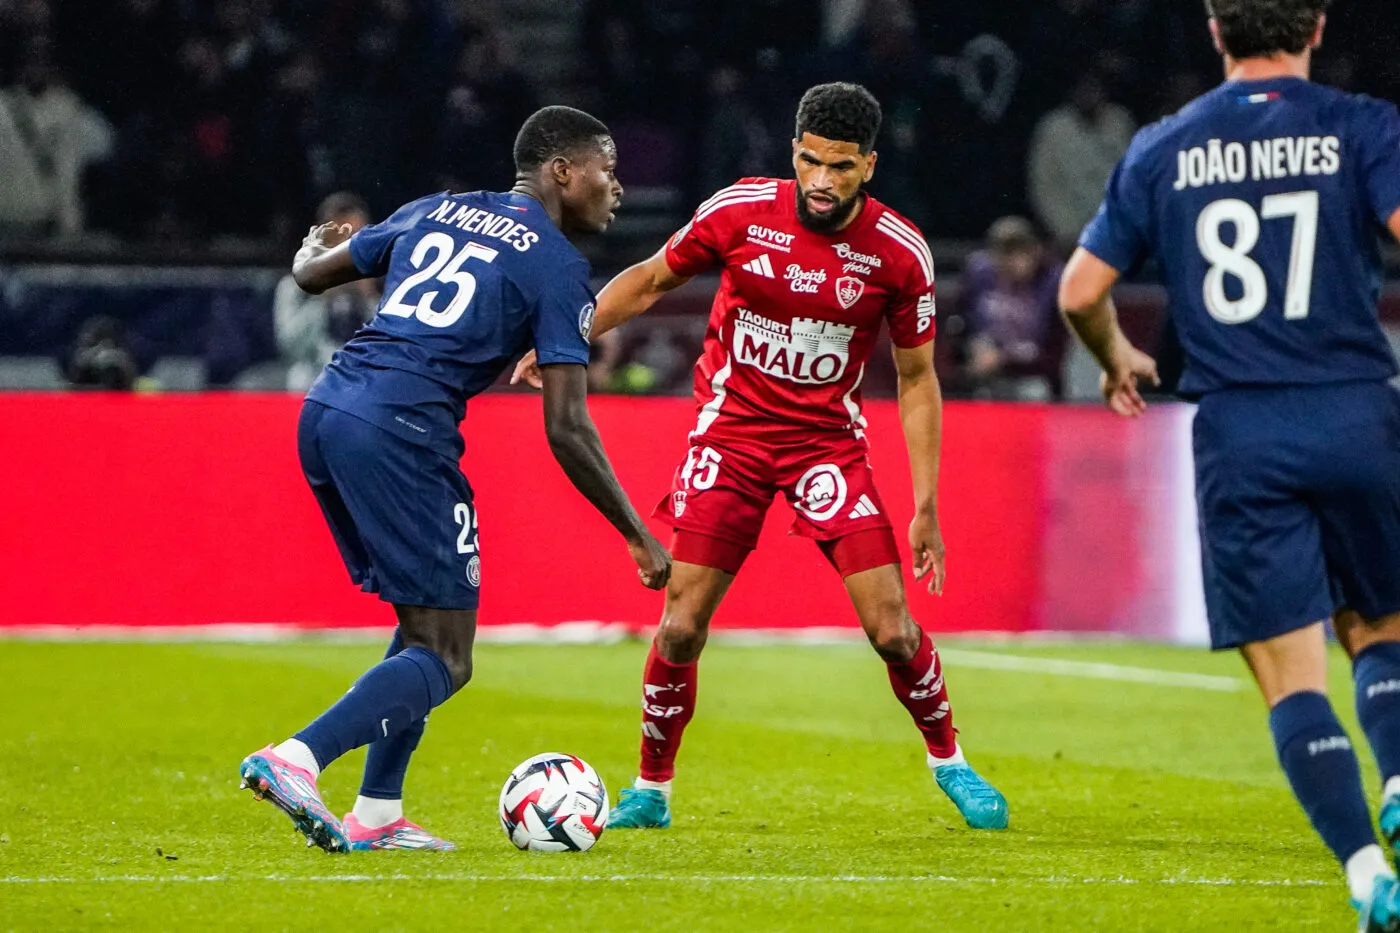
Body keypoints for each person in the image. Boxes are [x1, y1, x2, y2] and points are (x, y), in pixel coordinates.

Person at [514, 82, 1008, 832]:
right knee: (681, 626)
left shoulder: (899, 253)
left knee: (894, 631)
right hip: (732, 437)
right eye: (809, 161)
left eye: (839, 167)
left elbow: (916, 380)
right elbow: (649, 280)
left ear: (868, 166)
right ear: (793, 152)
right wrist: (566, 336)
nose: (820, 180)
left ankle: (952, 762)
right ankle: (651, 789)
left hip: (825, 448)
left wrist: (927, 504)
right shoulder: (740, 210)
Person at [238, 105, 672, 853]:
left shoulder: (438, 208)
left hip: (329, 408)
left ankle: (376, 814)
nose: (618, 186)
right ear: (562, 171)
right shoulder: (557, 264)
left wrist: (310, 247)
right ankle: (296, 757)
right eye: (607, 166)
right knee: (447, 654)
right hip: (400, 429)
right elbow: (567, 425)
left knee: (422, 626)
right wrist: (637, 532)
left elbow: (313, 276)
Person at [1057, 2, 1400, 927]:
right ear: (1319, 25)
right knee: (1380, 628)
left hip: (1241, 430)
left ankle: (1365, 864)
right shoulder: (1362, 125)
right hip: (1359, 410)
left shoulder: (1167, 144)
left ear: (1213, 30)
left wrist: (1117, 357)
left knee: (1292, 678)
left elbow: (1082, 289)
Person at [272, 192, 378, 391]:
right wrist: (320, 295)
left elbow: (391, 346)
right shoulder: (294, 287)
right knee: (300, 376)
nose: (347, 245)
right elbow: (291, 347)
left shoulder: (383, 282)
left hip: (364, 379)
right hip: (312, 378)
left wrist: (370, 299)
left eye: (355, 235)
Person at [956, 215, 1066, 400]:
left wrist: (1003, 360)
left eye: (1017, 253)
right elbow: (958, 321)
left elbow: (1054, 355)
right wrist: (973, 345)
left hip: (1035, 379)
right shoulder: (979, 274)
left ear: (1035, 251)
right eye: (1002, 254)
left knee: (1034, 392)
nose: (1009, 263)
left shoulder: (1055, 284)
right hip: (986, 375)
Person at [1027, 71, 1134, 253]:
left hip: (1116, 231)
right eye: (1083, 90)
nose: (1088, 95)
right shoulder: (1054, 128)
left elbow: (1132, 177)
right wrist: (1066, 231)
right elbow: (1044, 185)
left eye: (1094, 89)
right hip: (1069, 236)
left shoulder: (1120, 121)